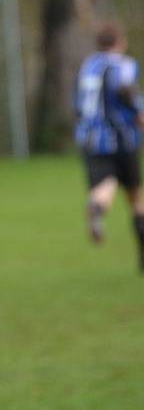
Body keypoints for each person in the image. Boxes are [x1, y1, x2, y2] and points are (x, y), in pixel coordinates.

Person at [75, 21, 144, 270]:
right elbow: (125, 91)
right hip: (121, 138)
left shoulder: (88, 65)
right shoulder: (122, 64)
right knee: (136, 197)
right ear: (120, 42)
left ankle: (96, 207)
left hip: (90, 139)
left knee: (107, 183)